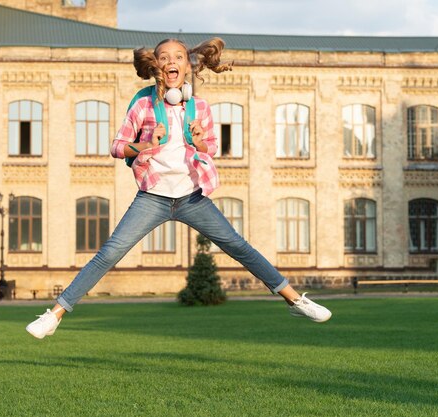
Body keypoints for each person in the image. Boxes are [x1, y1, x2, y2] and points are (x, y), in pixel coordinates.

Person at [26, 38, 331, 339]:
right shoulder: (143, 102)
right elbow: (118, 147)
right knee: (110, 253)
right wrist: (148, 143)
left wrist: (198, 139)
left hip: (192, 198)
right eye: (164, 57)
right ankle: (54, 315)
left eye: (179, 57)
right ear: (156, 66)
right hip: (153, 197)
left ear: (188, 65)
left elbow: (209, 148)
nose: (172, 61)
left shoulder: (199, 107)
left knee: (238, 246)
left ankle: (295, 300)